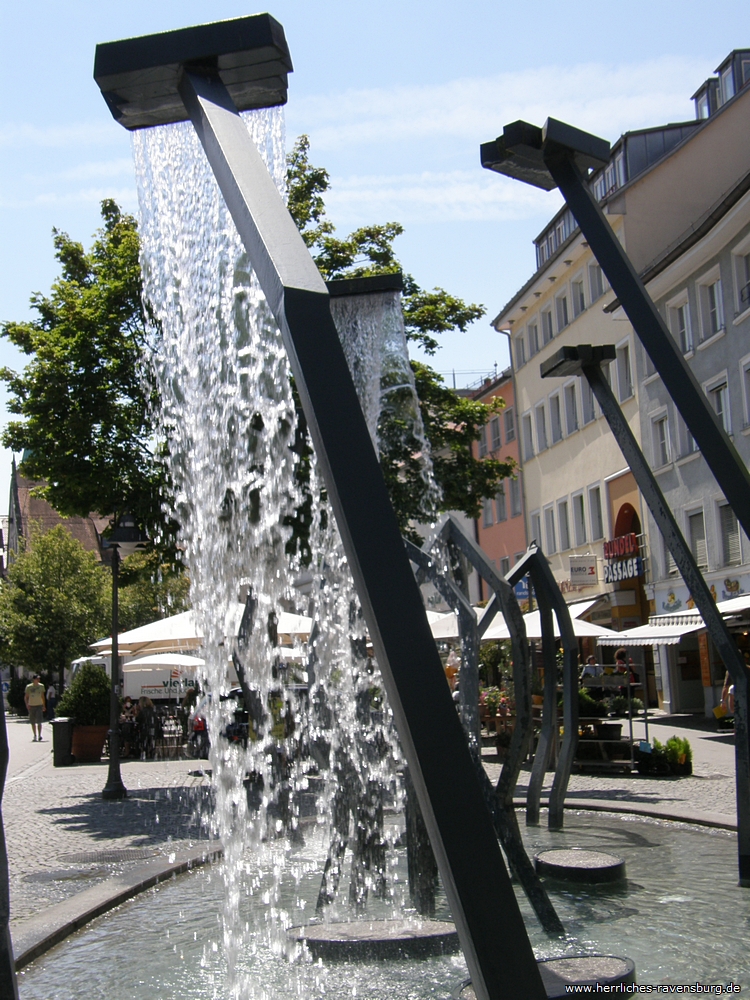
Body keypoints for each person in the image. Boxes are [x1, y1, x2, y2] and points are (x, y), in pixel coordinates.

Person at [25, 675, 46, 742]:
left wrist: (44, 705)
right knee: (33, 722)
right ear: (34, 680)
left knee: (39, 721)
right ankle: (35, 735)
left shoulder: (41, 686)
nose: (38, 680)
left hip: (39, 705)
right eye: (37, 679)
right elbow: (26, 697)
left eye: (39, 679)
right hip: (31, 705)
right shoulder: (29, 687)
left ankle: (40, 735)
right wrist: (27, 704)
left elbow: (43, 696)